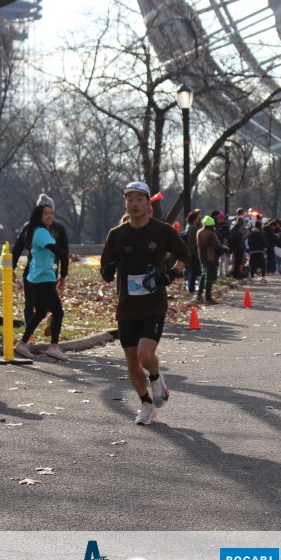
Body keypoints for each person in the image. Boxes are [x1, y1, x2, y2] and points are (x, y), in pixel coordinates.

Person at [100, 182, 189, 426]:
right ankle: (146, 405)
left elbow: (185, 254)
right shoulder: (116, 234)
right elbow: (106, 267)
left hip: (153, 303)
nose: (134, 203)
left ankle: (156, 377)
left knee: (144, 353)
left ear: (148, 203)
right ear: (125, 204)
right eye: (130, 199)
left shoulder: (162, 230)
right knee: (131, 361)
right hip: (127, 305)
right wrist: (107, 270)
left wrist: (171, 274)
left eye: (140, 199)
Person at [14, 203, 69, 361]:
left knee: (40, 312)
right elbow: (53, 248)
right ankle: (53, 347)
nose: (49, 216)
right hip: (43, 278)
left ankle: (22, 344)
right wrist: (68, 255)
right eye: (46, 213)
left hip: (38, 277)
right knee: (58, 312)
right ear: (39, 216)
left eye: (51, 213)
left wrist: (65, 257)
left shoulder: (42, 231)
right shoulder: (40, 232)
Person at [197, 215, 227, 302]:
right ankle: (208, 297)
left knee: (203, 275)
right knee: (209, 277)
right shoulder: (211, 234)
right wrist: (225, 249)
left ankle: (199, 294)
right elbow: (217, 246)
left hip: (202, 256)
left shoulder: (199, 232)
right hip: (211, 257)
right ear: (211, 225)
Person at [183, 209, 202, 296]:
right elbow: (192, 241)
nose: (199, 218)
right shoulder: (193, 227)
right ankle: (191, 289)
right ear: (195, 218)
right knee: (194, 271)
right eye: (197, 217)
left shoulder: (188, 226)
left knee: (191, 270)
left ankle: (191, 288)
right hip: (193, 253)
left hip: (190, 252)